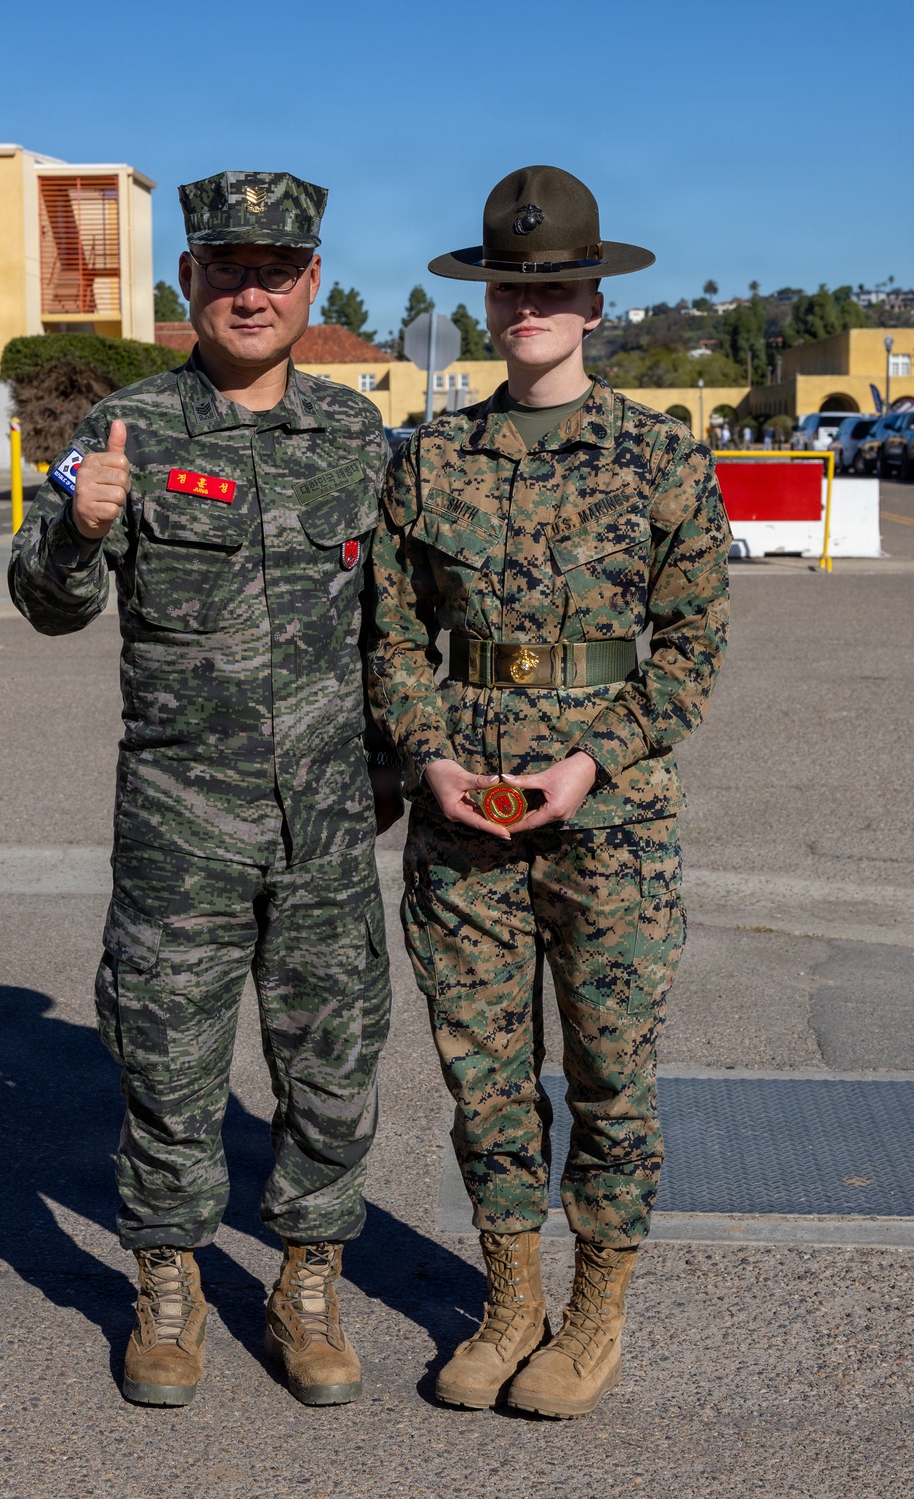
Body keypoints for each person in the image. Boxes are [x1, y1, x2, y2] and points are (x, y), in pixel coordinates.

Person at [9, 170, 401, 1410]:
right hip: (181, 819)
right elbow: (45, 604)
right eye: (227, 266)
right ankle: (166, 1282)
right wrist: (78, 529)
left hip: (329, 820)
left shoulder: (356, 438)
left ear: (310, 287)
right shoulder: (122, 428)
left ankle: (306, 1279)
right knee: (170, 1062)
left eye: (275, 270)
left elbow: (401, 622)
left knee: (332, 1061)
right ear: (189, 281)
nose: (250, 289)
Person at [370, 165, 730, 1418]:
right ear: (486, 303)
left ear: (592, 301)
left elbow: (691, 649)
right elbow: (395, 637)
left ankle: (594, 1310)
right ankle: (510, 1294)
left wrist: (588, 763)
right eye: (509, 286)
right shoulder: (427, 461)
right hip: (463, 815)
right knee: (484, 1071)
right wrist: (432, 759)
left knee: (611, 1068)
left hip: (609, 821)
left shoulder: (661, 463)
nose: (529, 304)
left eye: (553, 284)